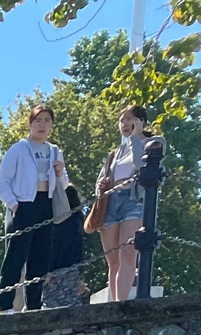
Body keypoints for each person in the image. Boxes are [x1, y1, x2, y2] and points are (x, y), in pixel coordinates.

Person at [0, 105, 69, 312]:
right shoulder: (19, 148)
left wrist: (60, 172)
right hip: (23, 204)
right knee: (15, 257)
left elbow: (63, 185)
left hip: (46, 204)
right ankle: (5, 306)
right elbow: (1, 183)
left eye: (47, 120)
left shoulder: (54, 151)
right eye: (38, 120)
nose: (42, 125)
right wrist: (15, 206)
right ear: (30, 124)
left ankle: (34, 304)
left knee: (40, 258)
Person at [96, 105, 151, 302]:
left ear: (141, 121)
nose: (124, 124)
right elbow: (102, 177)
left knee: (128, 253)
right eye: (121, 120)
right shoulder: (116, 152)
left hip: (133, 200)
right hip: (111, 200)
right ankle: (113, 303)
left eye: (129, 119)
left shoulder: (152, 143)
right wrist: (100, 186)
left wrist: (136, 138)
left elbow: (141, 164)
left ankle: (122, 302)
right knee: (113, 259)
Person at [46, 184, 89, 310]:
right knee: (72, 308)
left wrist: (47, 269)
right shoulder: (77, 219)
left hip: (54, 270)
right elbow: (78, 248)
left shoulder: (56, 221)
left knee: (50, 308)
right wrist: (79, 273)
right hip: (72, 268)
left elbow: (54, 246)